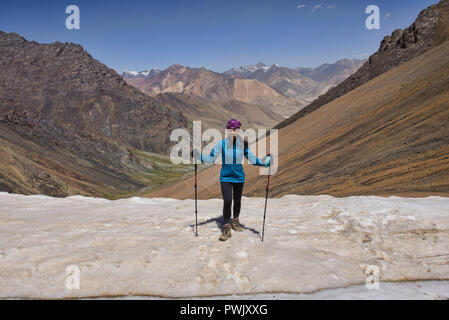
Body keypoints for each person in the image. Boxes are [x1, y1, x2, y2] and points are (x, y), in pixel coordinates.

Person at [192, 119, 271, 241]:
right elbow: (210, 159)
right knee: (228, 201)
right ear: (227, 130)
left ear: (239, 131)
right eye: (231, 129)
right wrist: (199, 156)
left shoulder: (243, 145)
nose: (233, 132)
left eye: (236, 129)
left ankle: (235, 222)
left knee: (237, 201)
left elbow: (253, 159)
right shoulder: (221, 144)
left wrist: (265, 163)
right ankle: (227, 227)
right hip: (226, 178)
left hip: (239, 177)